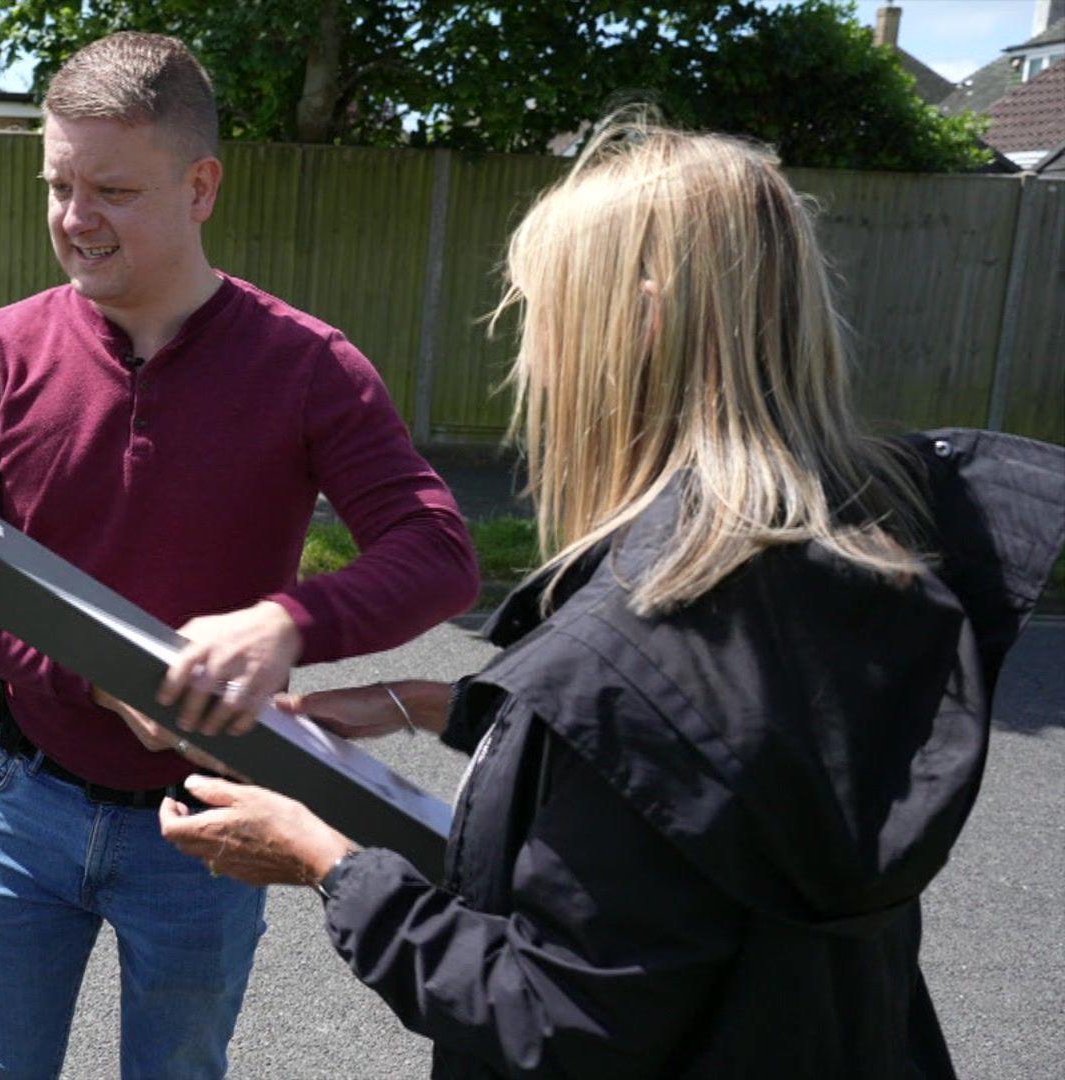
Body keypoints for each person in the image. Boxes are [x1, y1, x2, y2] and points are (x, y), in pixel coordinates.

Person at [158, 114, 1065, 1078]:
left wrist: (325, 862)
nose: (530, 358)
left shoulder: (659, 615)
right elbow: (719, 775)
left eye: (539, 313)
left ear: (641, 318)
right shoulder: (851, 540)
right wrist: (438, 707)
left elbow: (553, 1009)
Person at [0, 31, 481, 1080]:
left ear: (201, 186)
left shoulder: (308, 366)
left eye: (114, 190)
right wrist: (103, 673)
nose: (77, 219)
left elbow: (440, 554)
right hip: (18, 802)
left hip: (208, 828)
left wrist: (286, 623)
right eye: (60, 183)